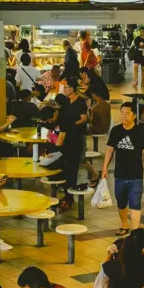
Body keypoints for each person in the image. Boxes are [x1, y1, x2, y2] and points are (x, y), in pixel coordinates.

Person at [102, 102, 144, 234]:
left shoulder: (140, 132)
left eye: (128, 113)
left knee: (135, 203)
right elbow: (109, 150)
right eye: (122, 113)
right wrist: (104, 168)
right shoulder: (116, 131)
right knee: (121, 201)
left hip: (136, 174)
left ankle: (135, 231)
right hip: (120, 174)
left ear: (134, 116)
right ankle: (124, 224)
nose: (124, 116)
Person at [54, 77, 88, 212]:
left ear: (73, 88)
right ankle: (66, 195)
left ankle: (69, 198)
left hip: (75, 138)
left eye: (67, 87)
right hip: (65, 138)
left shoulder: (80, 103)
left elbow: (84, 119)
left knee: (73, 169)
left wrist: (73, 125)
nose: (65, 90)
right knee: (66, 167)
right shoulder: (66, 102)